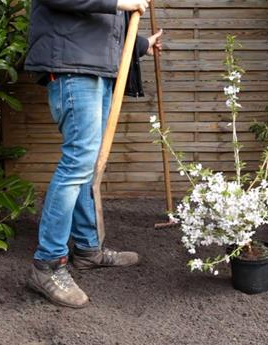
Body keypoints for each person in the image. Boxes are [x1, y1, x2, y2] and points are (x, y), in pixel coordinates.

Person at [23, 0, 163, 308]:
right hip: (73, 71)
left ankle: (87, 250)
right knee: (77, 165)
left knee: (87, 167)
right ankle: (47, 266)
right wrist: (119, 2)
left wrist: (139, 44)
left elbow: (99, 25)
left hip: (96, 69)